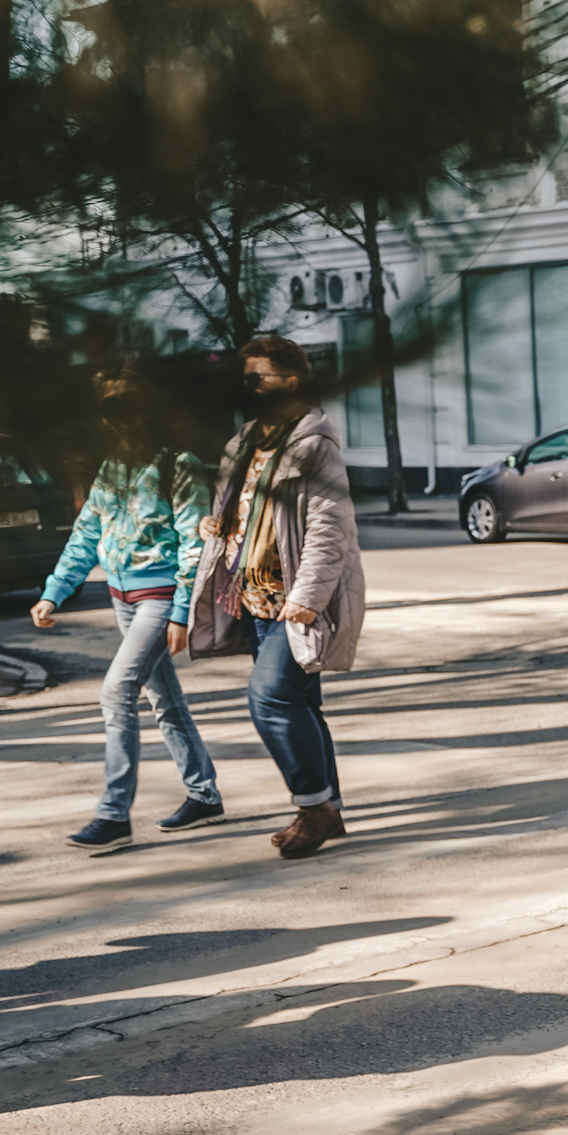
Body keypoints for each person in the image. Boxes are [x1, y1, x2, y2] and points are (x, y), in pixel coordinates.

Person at [30, 364, 224, 854]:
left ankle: (114, 814)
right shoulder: (113, 467)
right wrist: (55, 591)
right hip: (121, 597)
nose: (118, 419)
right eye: (108, 408)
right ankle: (203, 794)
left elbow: (192, 546)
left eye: (127, 406)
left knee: (116, 693)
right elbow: (85, 535)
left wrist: (182, 611)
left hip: (159, 598)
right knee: (163, 700)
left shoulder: (178, 464)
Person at [187, 337, 366, 859]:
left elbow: (328, 528)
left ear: (292, 382)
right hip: (254, 597)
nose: (249, 388)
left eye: (258, 378)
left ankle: (315, 809)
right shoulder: (244, 443)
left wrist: (308, 598)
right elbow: (240, 512)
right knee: (303, 706)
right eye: (245, 379)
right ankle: (325, 807)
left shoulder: (314, 447)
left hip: (295, 601)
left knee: (269, 699)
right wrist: (218, 527)